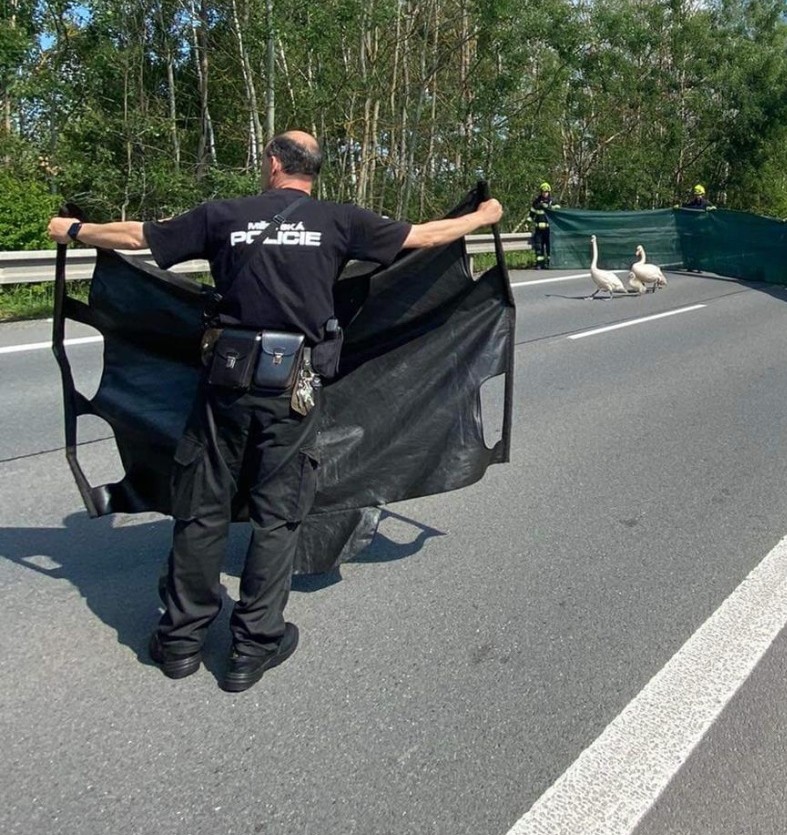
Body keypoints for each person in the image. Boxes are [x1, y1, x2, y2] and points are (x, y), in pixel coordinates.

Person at [47, 130, 503, 691]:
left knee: (202, 506)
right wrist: (484, 215)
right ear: (313, 171)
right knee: (277, 513)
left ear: (272, 164)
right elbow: (428, 236)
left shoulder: (224, 215)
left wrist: (73, 230)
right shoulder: (339, 220)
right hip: (292, 387)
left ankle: (181, 642)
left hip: (224, 383)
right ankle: (252, 649)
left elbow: (136, 236)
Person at [530, 181, 555, 269]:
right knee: (538, 247)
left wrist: (548, 207)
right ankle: (539, 264)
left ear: (549, 192)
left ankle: (549, 263)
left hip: (548, 230)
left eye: (546, 192)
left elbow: (558, 211)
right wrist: (528, 222)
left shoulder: (552, 202)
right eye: (543, 192)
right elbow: (532, 213)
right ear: (541, 192)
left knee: (549, 247)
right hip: (538, 230)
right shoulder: (536, 202)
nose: (545, 193)